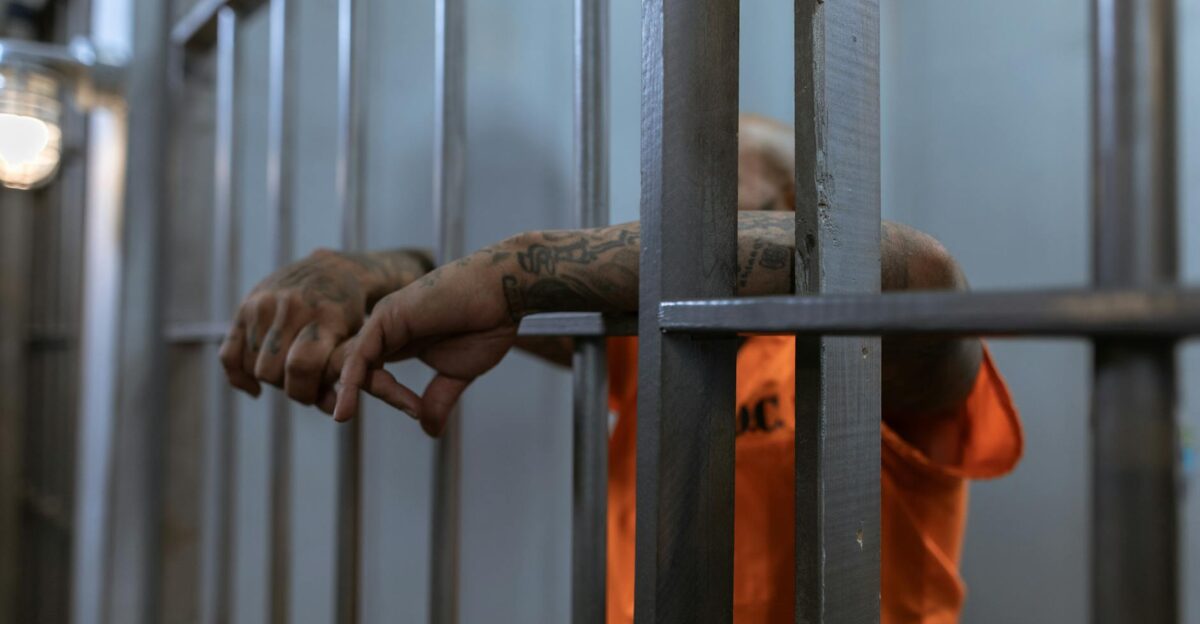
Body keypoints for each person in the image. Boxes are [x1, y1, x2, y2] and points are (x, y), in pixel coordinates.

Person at [220, 115, 1022, 623]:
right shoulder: (654, 346)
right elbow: (451, 297)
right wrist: (368, 270)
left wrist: (522, 266)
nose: (661, 221)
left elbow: (915, 275)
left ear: (790, 207)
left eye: (723, 189)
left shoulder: (856, 358)